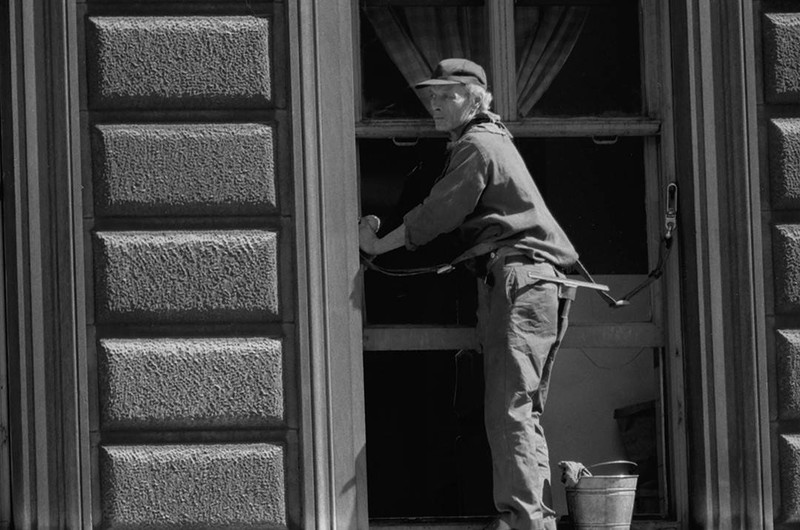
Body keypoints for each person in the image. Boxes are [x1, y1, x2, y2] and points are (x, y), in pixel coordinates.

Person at [358, 58, 578, 530]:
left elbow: (439, 213)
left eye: (448, 94)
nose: (435, 103)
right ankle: (533, 519)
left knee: (509, 410)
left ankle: (524, 522)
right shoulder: (494, 139)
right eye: (432, 95)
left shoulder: (477, 145)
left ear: (476, 100)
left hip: (520, 280)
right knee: (522, 409)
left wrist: (377, 244)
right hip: (540, 282)